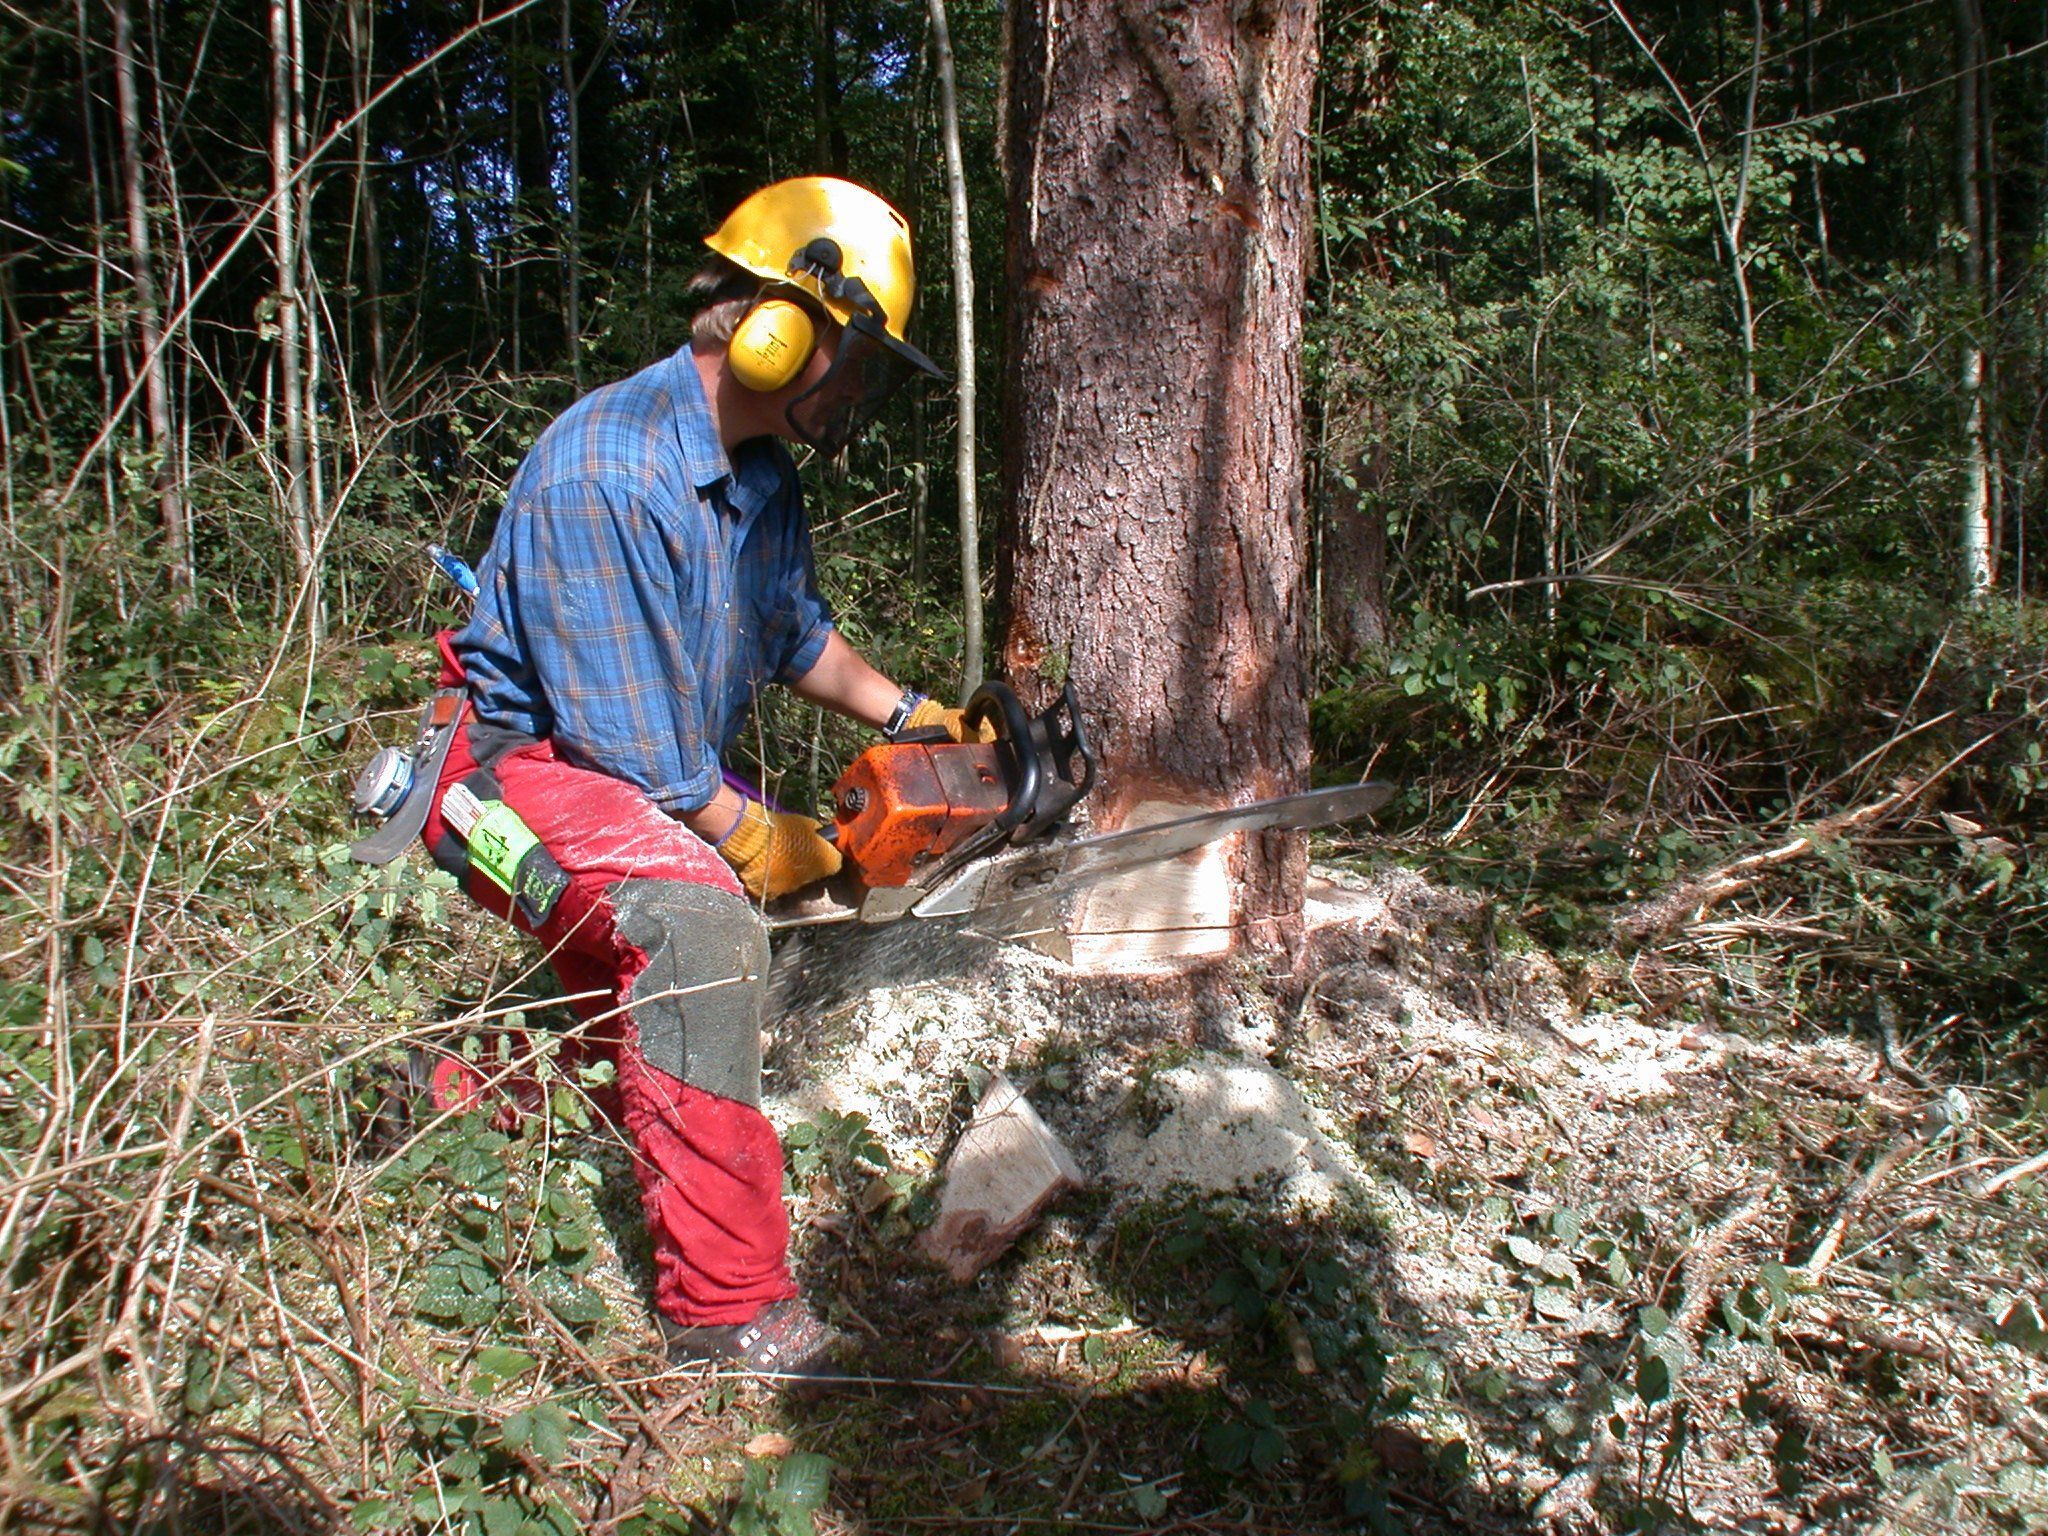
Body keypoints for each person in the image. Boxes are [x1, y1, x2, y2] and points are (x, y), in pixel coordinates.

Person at [417, 177, 977, 1380]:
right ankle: (725, 1309)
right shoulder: (607, 471)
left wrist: (916, 718)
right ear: (784, 328)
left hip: (616, 772)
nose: (858, 392)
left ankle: (459, 1094)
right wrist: (759, 839)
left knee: (627, 976)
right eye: (855, 360)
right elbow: (634, 756)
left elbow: (794, 637)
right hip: (503, 782)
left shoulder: (762, 477)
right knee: (698, 925)